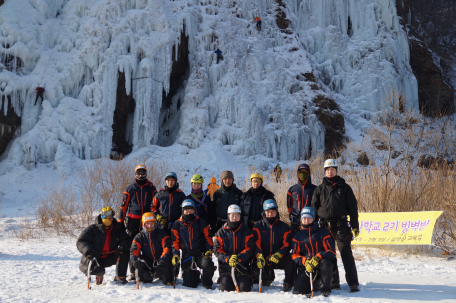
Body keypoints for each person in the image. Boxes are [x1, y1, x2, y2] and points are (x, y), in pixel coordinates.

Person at [311, 159, 360, 292]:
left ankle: (353, 283)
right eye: (327, 170)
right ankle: (333, 282)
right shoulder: (319, 189)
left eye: (332, 169)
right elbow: (313, 209)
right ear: (325, 172)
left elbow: (353, 209)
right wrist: (311, 228)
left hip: (341, 226)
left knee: (346, 254)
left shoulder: (345, 188)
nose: (330, 172)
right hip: (324, 226)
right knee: (328, 254)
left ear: (336, 170)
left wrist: (355, 226)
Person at [118, 164, 157, 280]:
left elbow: (155, 205)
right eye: (139, 172)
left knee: (148, 244)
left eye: (143, 172)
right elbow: (123, 206)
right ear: (135, 174)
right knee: (133, 245)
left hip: (147, 220)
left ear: (146, 173)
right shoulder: (130, 188)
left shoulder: (151, 188)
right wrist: (120, 221)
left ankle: (148, 269)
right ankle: (133, 271)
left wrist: (155, 216)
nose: (141, 175)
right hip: (132, 220)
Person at [77, 207, 131, 285]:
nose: (107, 219)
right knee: (98, 270)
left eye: (110, 217)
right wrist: (88, 251)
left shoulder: (117, 229)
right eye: (105, 217)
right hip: (95, 257)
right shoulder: (92, 229)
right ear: (101, 216)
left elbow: (127, 239)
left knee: (125, 251)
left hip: (110, 256)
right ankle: (99, 274)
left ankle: (120, 276)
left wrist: (122, 247)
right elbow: (81, 241)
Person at [292, 207, 336, 297]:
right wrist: (304, 261)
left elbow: (332, 251)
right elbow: (294, 255)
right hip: (306, 265)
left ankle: (325, 289)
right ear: (301, 219)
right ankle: (313, 282)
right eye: (304, 218)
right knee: (298, 291)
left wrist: (319, 257)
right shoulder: (297, 235)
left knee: (326, 262)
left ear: (314, 219)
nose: (306, 221)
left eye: (309, 218)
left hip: (321, 264)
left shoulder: (323, 232)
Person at [171, 200, 216, 289]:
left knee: (208, 264)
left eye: (191, 210)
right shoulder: (177, 224)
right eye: (186, 210)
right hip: (187, 255)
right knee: (190, 284)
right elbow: (174, 242)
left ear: (194, 210)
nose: (189, 212)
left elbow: (208, 238)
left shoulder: (201, 222)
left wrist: (209, 250)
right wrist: (175, 255)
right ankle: (194, 274)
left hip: (200, 254)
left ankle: (207, 282)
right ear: (182, 211)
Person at [252, 199, 295, 291]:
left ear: (276, 211)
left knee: (290, 259)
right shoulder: (258, 226)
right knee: (254, 266)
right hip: (264, 257)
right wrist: (259, 255)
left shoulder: (284, 227)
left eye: (273, 211)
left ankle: (288, 282)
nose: (270, 214)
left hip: (279, 256)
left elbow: (287, 244)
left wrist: (279, 253)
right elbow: (256, 243)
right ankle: (266, 277)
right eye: (268, 212)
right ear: (264, 212)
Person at [214, 204, 255, 292]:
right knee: (225, 289)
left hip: (242, 265)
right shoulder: (221, 232)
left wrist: (238, 258)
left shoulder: (246, 231)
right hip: (226, 266)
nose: (235, 217)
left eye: (237, 215)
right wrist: (227, 259)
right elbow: (217, 250)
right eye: (232, 215)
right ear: (228, 216)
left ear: (240, 216)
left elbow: (249, 248)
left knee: (244, 289)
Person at [130, 212, 174, 285]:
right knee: (139, 261)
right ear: (144, 224)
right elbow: (134, 250)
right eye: (148, 224)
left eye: (152, 223)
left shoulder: (162, 233)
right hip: (148, 261)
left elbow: (167, 249)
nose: (150, 226)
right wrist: (134, 260)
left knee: (168, 280)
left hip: (161, 262)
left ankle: (165, 276)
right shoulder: (139, 236)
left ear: (155, 223)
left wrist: (162, 263)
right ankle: (148, 275)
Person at [287, 163, 316, 234]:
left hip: (309, 221)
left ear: (309, 173)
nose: (303, 174)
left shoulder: (315, 189)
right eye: (301, 172)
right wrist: (292, 214)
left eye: (305, 172)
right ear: (298, 173)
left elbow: (318, 204)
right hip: (295, 221)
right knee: (293, 241)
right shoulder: (292, 189)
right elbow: (289, 205)